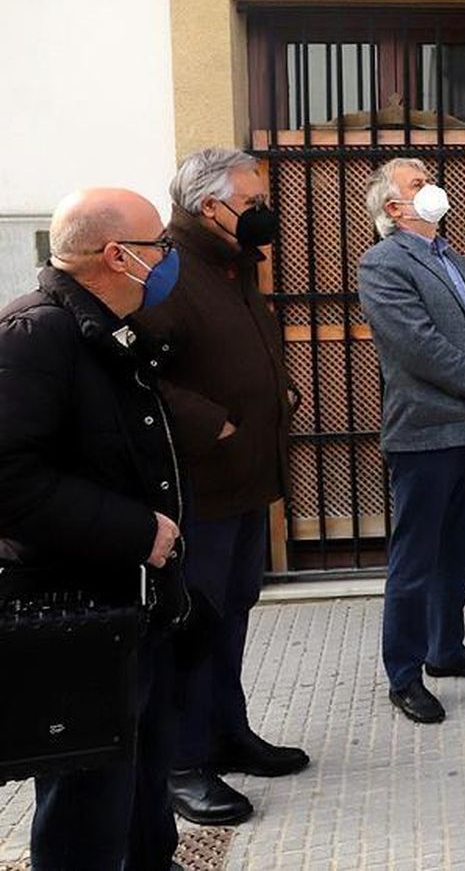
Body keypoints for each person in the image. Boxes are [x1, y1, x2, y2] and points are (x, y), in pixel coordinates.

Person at [0, 187, 185, 870]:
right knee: (86, 810)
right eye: (159, 244)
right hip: (78, 616)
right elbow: (10, 481)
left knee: (141, 787)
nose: (168, 257)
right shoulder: (33, 334)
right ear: (117, 255)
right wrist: (136, 530)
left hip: (135, 604)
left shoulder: (110, 329)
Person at [132, 148, 308, 827]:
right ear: (209, 207)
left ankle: (227, 731)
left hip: (244, 480)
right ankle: (182, 762)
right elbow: (141, 376)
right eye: (252, 201)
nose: (264, 211)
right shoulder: (170, 271)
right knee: (192, 625)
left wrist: (276, 392)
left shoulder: (234, 263)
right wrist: (217, 424)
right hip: (200, 486)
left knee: (232, 612)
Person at [357, 159, 465, 724]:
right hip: (424, 433)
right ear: (393, 207)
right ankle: (404, 675)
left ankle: (445, 649)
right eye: (419, 184)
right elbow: (415, 344)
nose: (433, 189)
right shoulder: (382, 263)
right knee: (415, 560)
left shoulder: (451, 255)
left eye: (429, 180)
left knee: (457, 552)